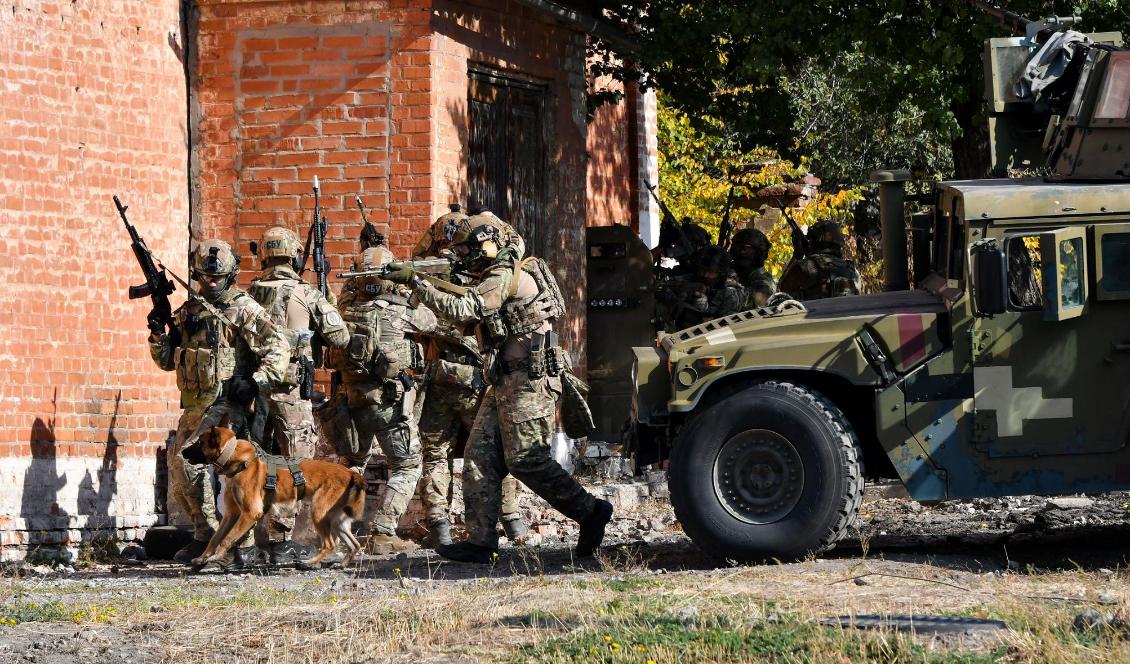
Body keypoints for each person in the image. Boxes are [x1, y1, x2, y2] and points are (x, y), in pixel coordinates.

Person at [384, 213, 613, 563]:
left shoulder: (505, 272)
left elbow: (467, 308)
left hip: (529, 381)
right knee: (479, 459)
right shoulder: (500, 271)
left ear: (486, 245)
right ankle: (481, 540)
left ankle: (591, 511)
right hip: (504, 381)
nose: (461, 256)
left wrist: (417, 281)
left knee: (526, 460)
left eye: (465, 249)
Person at [147, 239, 291, 566]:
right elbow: (169, 361)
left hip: (228, 405)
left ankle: (237, 546)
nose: (211, 282)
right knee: (181, 473)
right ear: (197, 274)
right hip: (196, 405)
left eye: (218, 277)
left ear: (230, 275)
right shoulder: (189, 312)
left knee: (237, 477)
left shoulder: (242, 308)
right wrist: (157, 337)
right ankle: (205, 535)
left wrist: (255, 383)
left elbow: (278, 348)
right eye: (205, 277)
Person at [413, 206, 528, 547]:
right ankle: (512, 520)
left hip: (444, 376)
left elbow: (420, 325)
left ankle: (440, 526)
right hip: (476, 377)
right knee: (496, 451)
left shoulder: (437, 281)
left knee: (438, 455)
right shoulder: (490, 278)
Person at [247, 225, 350, 564]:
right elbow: (340, 337)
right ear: (292, 255)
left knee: (260, 464)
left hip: (255, 392)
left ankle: (259, 539)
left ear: (263, 254)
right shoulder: (306, 293)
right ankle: (292, 542)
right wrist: (328, 297)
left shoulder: (249, 293)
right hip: (291, 392)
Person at [327, 245, 437, 554]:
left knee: (352, 463)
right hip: (389, 404)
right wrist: (406, 286)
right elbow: (431, 321)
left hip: (351, 402)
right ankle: (383, 532)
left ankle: (335, 535)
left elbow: (345, 294)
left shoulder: (345, 310)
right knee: (407, 465)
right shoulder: (401, 311)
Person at [778, 220, 863, 300]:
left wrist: (797, 255)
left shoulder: (808, 266)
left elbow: (781, 291)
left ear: (815, 240)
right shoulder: (853, 270)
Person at [729, 228, 777, 308]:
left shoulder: (765, 282)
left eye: (745, 248)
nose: (740, 252)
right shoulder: (734, 272)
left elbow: (755, 302)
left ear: (758, 252)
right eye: (736, 247)